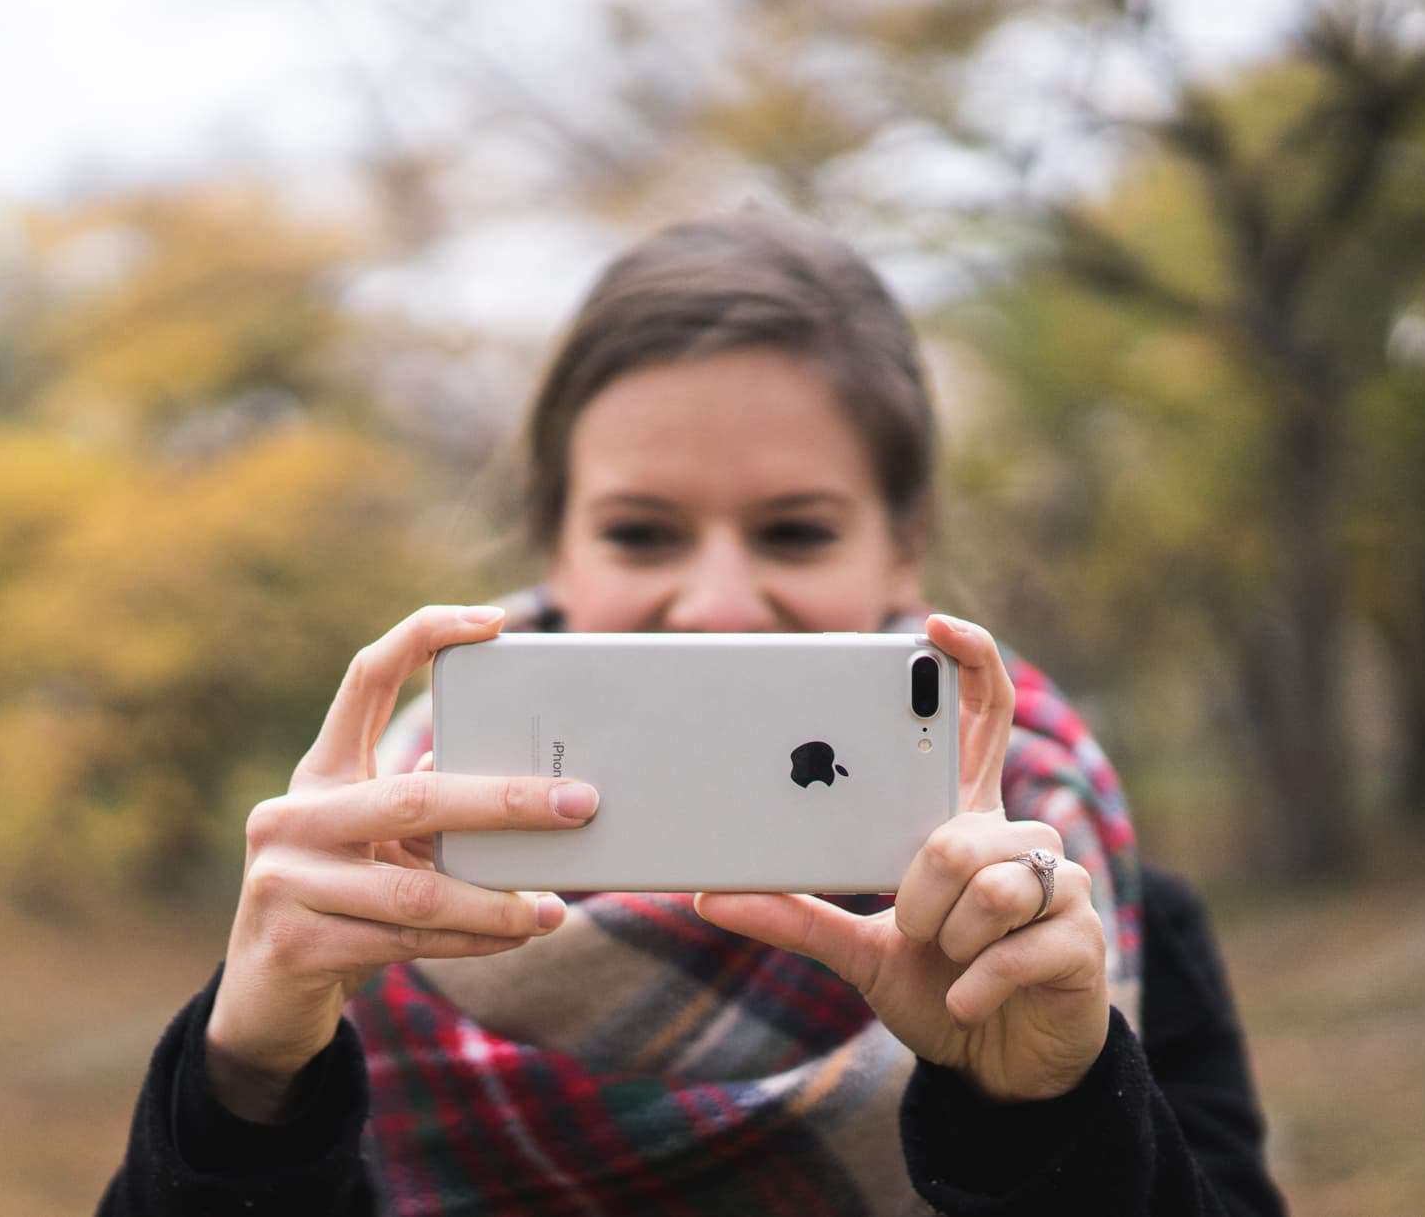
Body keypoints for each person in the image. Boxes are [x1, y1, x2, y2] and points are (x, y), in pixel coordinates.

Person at [98, 213, 1287, 1216]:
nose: (717, 602)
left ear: (903, 547)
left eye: (795, 530)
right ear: (555, 544)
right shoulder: (376, 894)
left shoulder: (1075, 918)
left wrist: (1050, 1108)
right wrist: (245, 1074)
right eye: (641, 532)